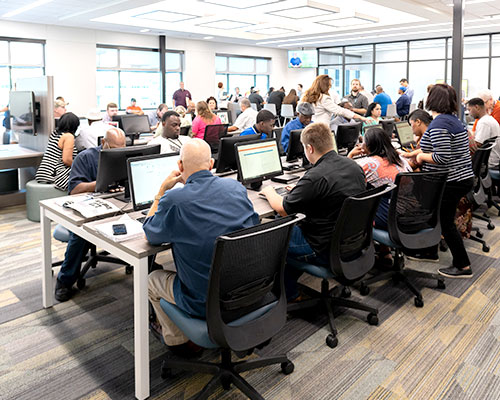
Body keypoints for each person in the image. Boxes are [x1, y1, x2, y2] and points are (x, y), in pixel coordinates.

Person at [145, 139, 259, 352]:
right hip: (245, 288)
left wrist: (161, 193)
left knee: (151, 280)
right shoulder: (235, 187)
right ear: (211, 165)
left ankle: (179, 342)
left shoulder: (175, 199)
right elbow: (253, 225)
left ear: (180, 166)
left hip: (203, 300)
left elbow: (150, 234)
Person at [260, 123, 366, 300]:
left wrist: (269, 190)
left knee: (271, 232)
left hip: (321, 247)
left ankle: (287, 294)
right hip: (350, 241)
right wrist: (302, 189)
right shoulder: (354, 167)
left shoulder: (315, 177)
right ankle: (289, 287)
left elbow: (283, 208)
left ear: (309, 148)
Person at [401, 83, 474, 278]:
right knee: (437, 216)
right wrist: (413, 153)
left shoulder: (440, 124)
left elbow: (442, 157)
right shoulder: (452, 120)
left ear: (433, 100)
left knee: (445, 222)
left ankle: (463, 265)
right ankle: (429, 251)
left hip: (452, 180)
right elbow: (434, 148)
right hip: (460, 177)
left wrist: (420, 158)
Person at [54, 128, 127, 302]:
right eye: (115, 148)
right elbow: (74, 190)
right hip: (86, 208)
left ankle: (146, 266)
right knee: (80, 236)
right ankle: (64, 280)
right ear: (103, 143)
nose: (119, 153)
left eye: (122, 148)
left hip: (116, 204)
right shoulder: (86, 158)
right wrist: (98, 184)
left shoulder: (124, 155)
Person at [348, 127, 411, 228]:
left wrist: (349, 156)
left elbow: (345, 176)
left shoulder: (368, 164)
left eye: (363, 141)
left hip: (389, 219)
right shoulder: (402, 160)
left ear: (369, 145)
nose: (361, 144)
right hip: (411, 214)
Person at [35, 112, 79, 191]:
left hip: (43, 173)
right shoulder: (69, 136)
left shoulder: (54, 134)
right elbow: (66, 160)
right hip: (54, 174)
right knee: (84, 174)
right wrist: (80, 166)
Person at [468, 97, 500, 168]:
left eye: (469, 110)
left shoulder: (484, 122)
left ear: (477, 107)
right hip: (494, 159)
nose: (469, 113)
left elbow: (477, 145)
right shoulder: (489, 119)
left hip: (488, 162)